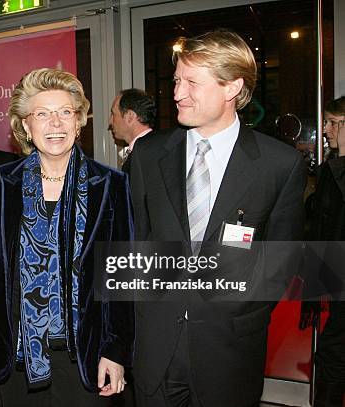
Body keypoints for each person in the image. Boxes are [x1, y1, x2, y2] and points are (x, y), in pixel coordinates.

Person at [128, 30, 306, 407]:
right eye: (177, 80)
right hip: (157, 349)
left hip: (230, 351)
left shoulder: (279, 165)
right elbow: (138, 242)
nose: (177, 93)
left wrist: (237, 309)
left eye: (192, 82)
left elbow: (281, 259)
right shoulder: (148, 153)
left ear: (232, 88)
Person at [0, 68, 134, 406]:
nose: (55, 123)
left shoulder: (109, 184)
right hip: (16, 352)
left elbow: (121, 278)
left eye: (65, 112)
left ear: (78, 122)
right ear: (25, 125)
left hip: (84, 353)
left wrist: (116, 350)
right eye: (42, 114)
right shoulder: (2, 182)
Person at [300, 96, 345, 406]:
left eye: (332, 123)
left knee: (332, 355)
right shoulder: (332, 169)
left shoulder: (337, 171)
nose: (326, 129)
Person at [108, 89, 156, 172]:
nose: (110, 121)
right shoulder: (148, 148)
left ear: (130, 116)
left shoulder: (146, 155)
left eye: (113, 114)